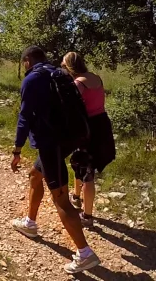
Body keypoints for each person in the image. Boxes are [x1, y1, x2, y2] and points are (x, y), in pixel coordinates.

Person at [11, 46, 100, 274]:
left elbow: (24, 117)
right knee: (34, 174)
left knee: (60, 199)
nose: (24, 67)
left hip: (52, 145)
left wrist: (17, 149)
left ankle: (84, 253)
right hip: (68, 139)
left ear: (28, 61)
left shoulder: (31, 80)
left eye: (24, 63)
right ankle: (30, 223)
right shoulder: (60, 73)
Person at [62, 52, 116, 227]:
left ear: (69, 66)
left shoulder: (78, 84)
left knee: (87, 171)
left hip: (87, 128)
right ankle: (76, 197)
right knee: (80, 163)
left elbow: (68, 106)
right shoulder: (96, 78)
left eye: (64, 66)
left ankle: (87, 216)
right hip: (102, 123)